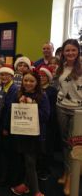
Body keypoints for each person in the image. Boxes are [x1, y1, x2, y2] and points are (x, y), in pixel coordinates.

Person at [10, 71, 50, 196]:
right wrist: (19, 104)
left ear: (37, 82)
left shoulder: (42, 96)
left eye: (32, 81)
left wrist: (32, 107)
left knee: (30, 162)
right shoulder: (18, 94)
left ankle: (36, 192)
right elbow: (12, 112)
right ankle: (25, 185)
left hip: (35, 135)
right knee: (28, 161)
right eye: (26, 80)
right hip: (21, 133)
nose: (28, 83)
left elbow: (46, 116)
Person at [55, 39, 82, 196]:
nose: (70, 53)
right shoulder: (61, 67)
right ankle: (66, 172)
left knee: (74, 144)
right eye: (67, 50)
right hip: (61, 108)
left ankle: (72, 178)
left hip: (78, 110)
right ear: (63, 52)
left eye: (73, 50)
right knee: (65, 142)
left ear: (78, 51)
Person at [37, 66, 58, 181]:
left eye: (44, 76)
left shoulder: (52, 91)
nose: (41, 77)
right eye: (39, 76)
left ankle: (45, 170)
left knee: (46, 148)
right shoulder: (35, 89)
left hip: (47, 123)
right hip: (36, 123)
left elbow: (53, 109)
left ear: (48, 77)